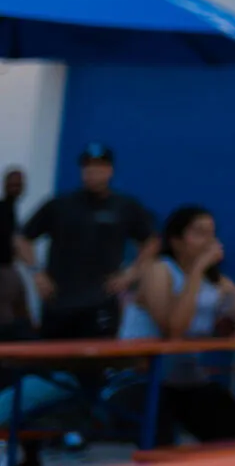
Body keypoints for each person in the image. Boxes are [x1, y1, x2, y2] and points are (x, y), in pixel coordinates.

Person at [118, 205, 235, 444]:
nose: (208, 240)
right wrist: (198, 269)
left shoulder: (217, 281)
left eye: (212, 233)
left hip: (184, 379)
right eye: (199, 233)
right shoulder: (159, 270)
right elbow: (174, 330)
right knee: (162, 439)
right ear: (176, 241)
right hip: (142, 378)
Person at [19, 144, 157, 339]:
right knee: (52, 362)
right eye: (87, 167)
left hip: (101, 302)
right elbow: (22, 239)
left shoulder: (124, 206)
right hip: (59, 301)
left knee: (96, 364)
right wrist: (36, 273)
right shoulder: (60, 205)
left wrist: (131, 273)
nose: (92, 172)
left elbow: (151, 242)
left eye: (99, 167)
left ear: (110, 170)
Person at [0, 168, 27, 334]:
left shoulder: (13, 210)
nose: (15, 188)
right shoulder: (4, 209)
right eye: (12, 184)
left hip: (10, 267)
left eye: (18, 185)